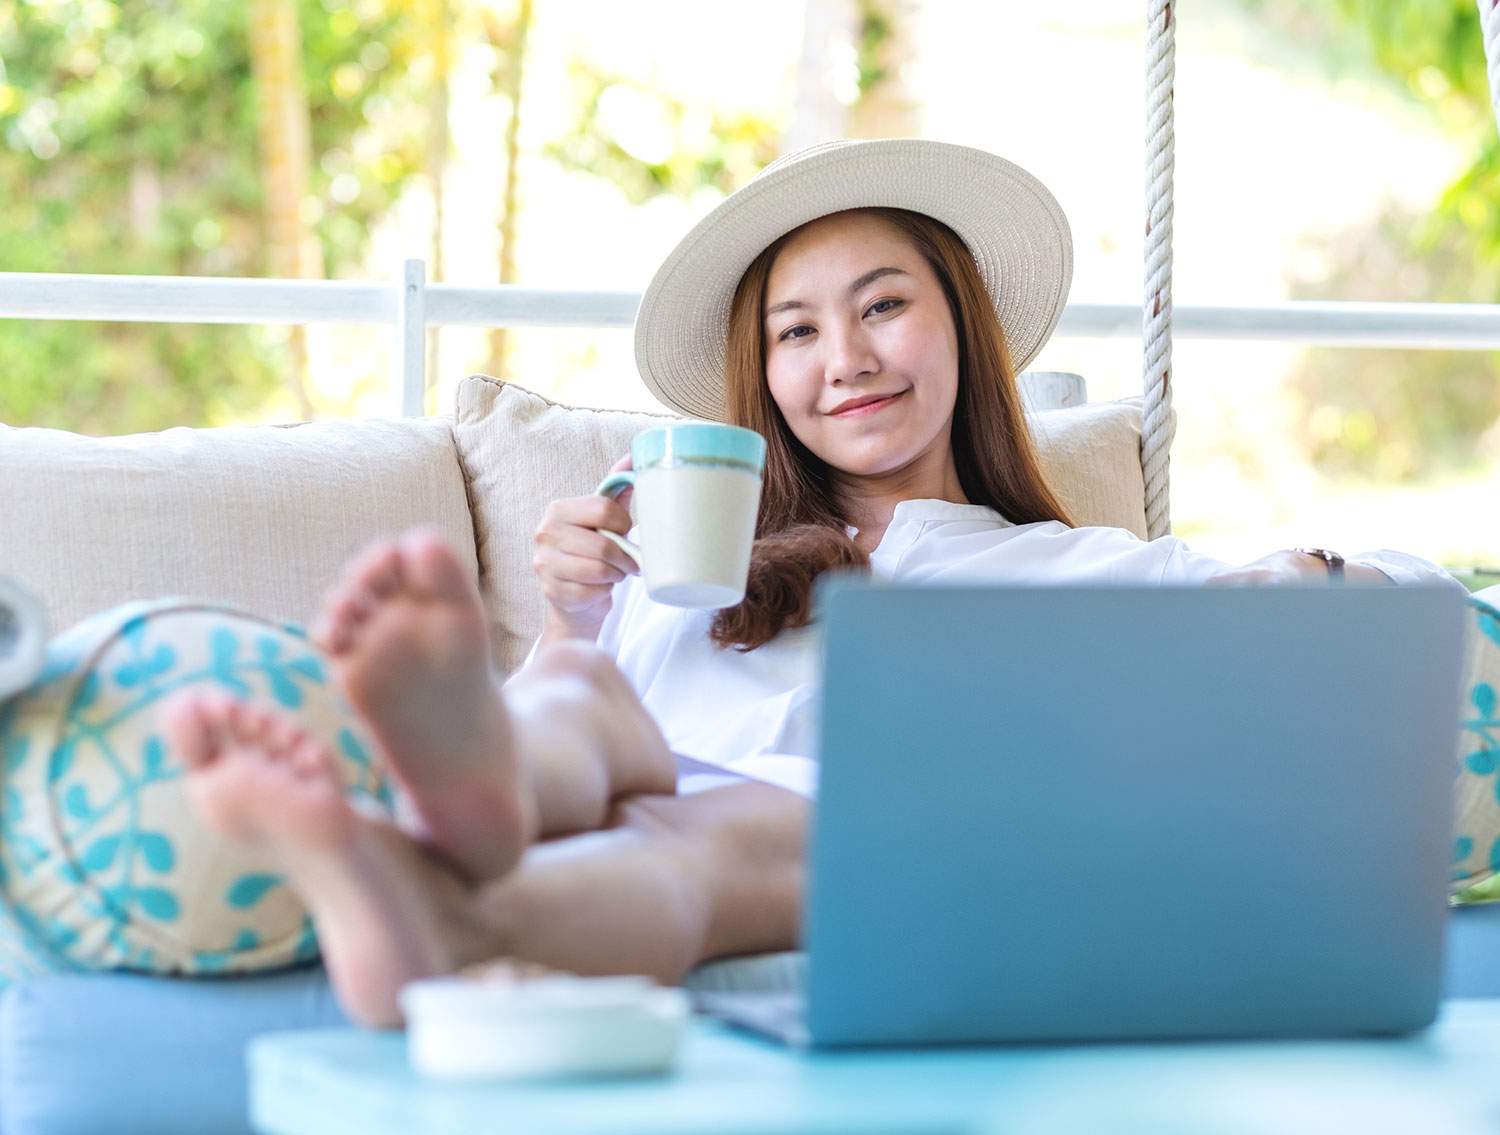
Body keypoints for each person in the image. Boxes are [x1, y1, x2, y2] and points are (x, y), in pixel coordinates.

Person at [161, 139, 1459, 1028]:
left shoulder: (1089, 570)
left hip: (848, 836)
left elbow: (1424, 606)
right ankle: (474, 797)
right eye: (796, 332)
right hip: (616, 740)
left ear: (963, 324)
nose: (844, 358)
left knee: (691, 846)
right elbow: (588, 683)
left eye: (884, 306)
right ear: (763, 379)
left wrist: (1305, 575)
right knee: (579, 710)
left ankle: (411, 901)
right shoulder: (694, 563)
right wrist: (566, 621)